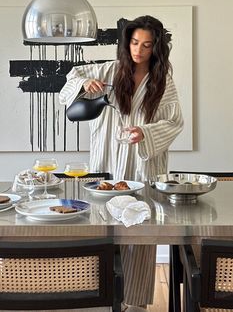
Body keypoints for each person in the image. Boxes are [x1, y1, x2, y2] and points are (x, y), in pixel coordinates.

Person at [59, 15, 184, 309]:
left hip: (144, 163)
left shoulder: (163, 81)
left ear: (157, 48)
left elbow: (175, 122)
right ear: (127, 41)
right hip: (107, 157)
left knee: (141, 228)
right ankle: (102, 298)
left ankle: (137, 302)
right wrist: (85, 82)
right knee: (103, 227)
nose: (138, 50)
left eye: (147, 45)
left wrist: (145, 132)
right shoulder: (109, 69)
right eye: (134, 42)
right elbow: (71, 78)